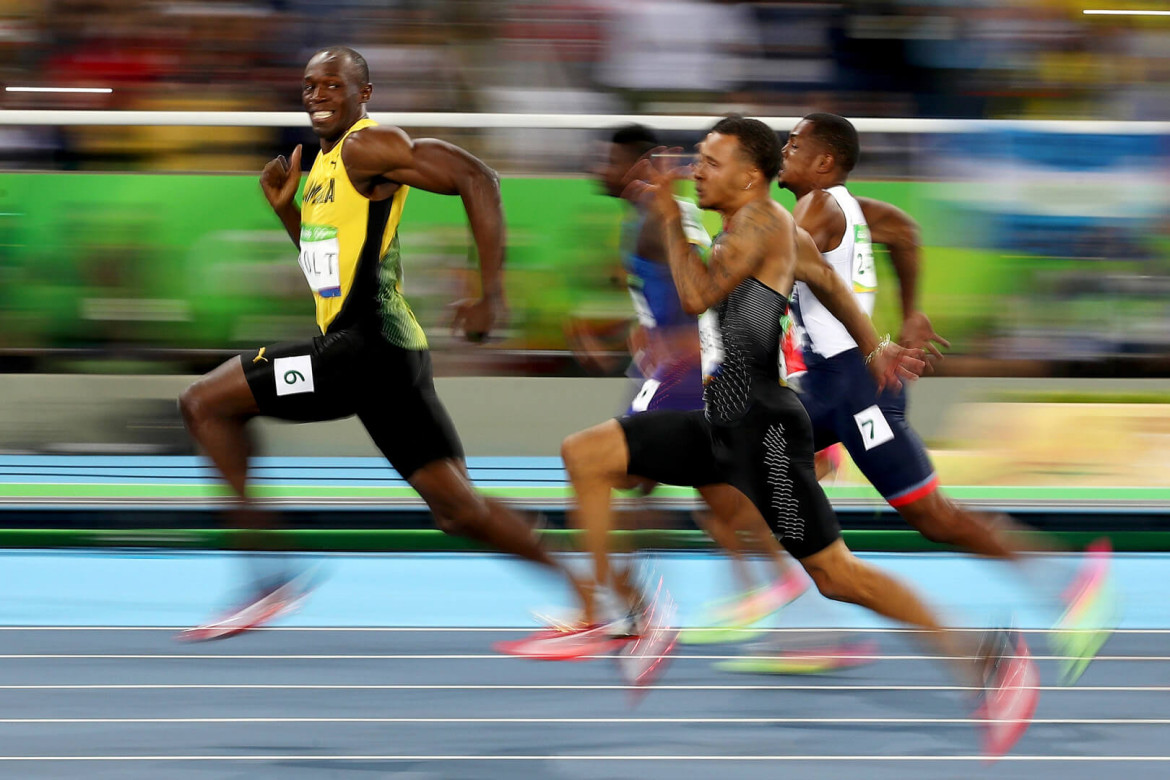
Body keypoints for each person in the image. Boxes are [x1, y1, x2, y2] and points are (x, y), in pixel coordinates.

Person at [516, 116, 1038, 757]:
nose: (696, 170)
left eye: (711, 161)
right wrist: (877, 346)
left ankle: (988, 660)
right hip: (721, 424)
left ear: (750, 176)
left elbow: (697, 291)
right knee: (587, 454)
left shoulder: (761, 224)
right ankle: (620, 615)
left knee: (838, 576)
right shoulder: (776, 228)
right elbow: (829, 283)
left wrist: (674, 219)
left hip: (762, 435)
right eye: (698, 160)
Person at [177, 46, 589, 639]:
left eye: (333, 86)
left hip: (361, 350)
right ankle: (595, 601)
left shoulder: (368, 146)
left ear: (363, 94)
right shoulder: (317, 169)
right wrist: (288, 214)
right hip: (384, 359)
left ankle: (266, 577)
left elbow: (478, 177)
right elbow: (330, 272)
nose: (317, 96)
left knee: (204, 403)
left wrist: (489, 293)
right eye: (309, 86)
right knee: (458, 511)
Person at [778, 112, 1114, 684]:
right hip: (832, 388)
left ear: (824, 161)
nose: (784, 149)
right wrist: (912, 314)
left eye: (794, 143)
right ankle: (815, 620)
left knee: (935, 518)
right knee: (766, 471)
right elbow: (906, 231)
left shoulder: (814, 209)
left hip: (856, 393)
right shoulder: (854, 209)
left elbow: (774, 275)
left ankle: (1069, 585)